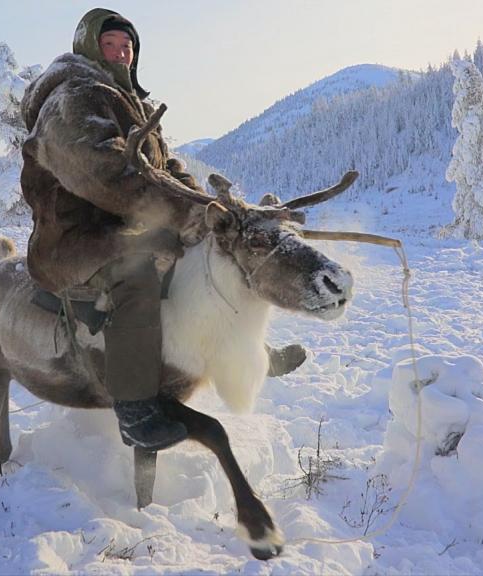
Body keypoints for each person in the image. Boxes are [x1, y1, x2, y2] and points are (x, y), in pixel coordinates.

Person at [19, 8, 305, 452]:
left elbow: (165, 169)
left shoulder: (126, 100)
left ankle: (242, 351)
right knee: (136, 276)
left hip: (130, 222)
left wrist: (211, 210)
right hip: (76, 237)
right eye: (109, 45)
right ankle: (136, 409)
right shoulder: (71, 99)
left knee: (214, 257)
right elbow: (102, 172)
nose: (120, 54)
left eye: (127, 48)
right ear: (88, 47)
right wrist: (177, 214)